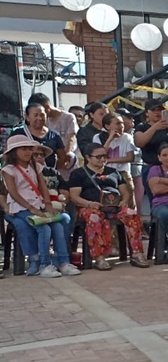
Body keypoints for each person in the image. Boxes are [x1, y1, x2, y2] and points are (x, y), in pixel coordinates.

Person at [2, 135, 76, 277]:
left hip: (39, 205)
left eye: (29, 149)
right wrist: (31, 208)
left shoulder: (36, 166)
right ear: (14, 152)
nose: (28, 152)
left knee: (58, 226)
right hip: (21, 207)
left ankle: (64, 262)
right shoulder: (9, 170)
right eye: (23, 149)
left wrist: (47, 204)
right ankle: (44, 264)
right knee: (44, 228)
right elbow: (13, 193)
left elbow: (43, 186)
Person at [68, 143, 150, 270]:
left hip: (114, 207)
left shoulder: (114, 172)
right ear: (88, 157)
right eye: (98, 157)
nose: (102, 159)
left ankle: (137, 253)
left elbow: (125, 192)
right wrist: (89, 204)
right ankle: (99, 257)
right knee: (94, 217)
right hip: (90, 207)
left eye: (105, 156)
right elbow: (74, 197)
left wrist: (124, 201)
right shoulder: (78, 174)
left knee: (131, 214)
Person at [28, 92, 77, 178]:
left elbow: (71, 138)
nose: (40, 117)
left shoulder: (69, 117)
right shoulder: (44, 121)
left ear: (47, 107)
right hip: (51, 162)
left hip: (68, 161)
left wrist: (65, 155)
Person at [12, 101, 66, 172]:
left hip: (47, 175)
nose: (39, 118)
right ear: (27, 117)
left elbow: (62, 157)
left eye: (42, 115)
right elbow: (10, 156)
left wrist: (52, 170)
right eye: (35, 115)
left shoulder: (54, 135)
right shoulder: (18, 134)